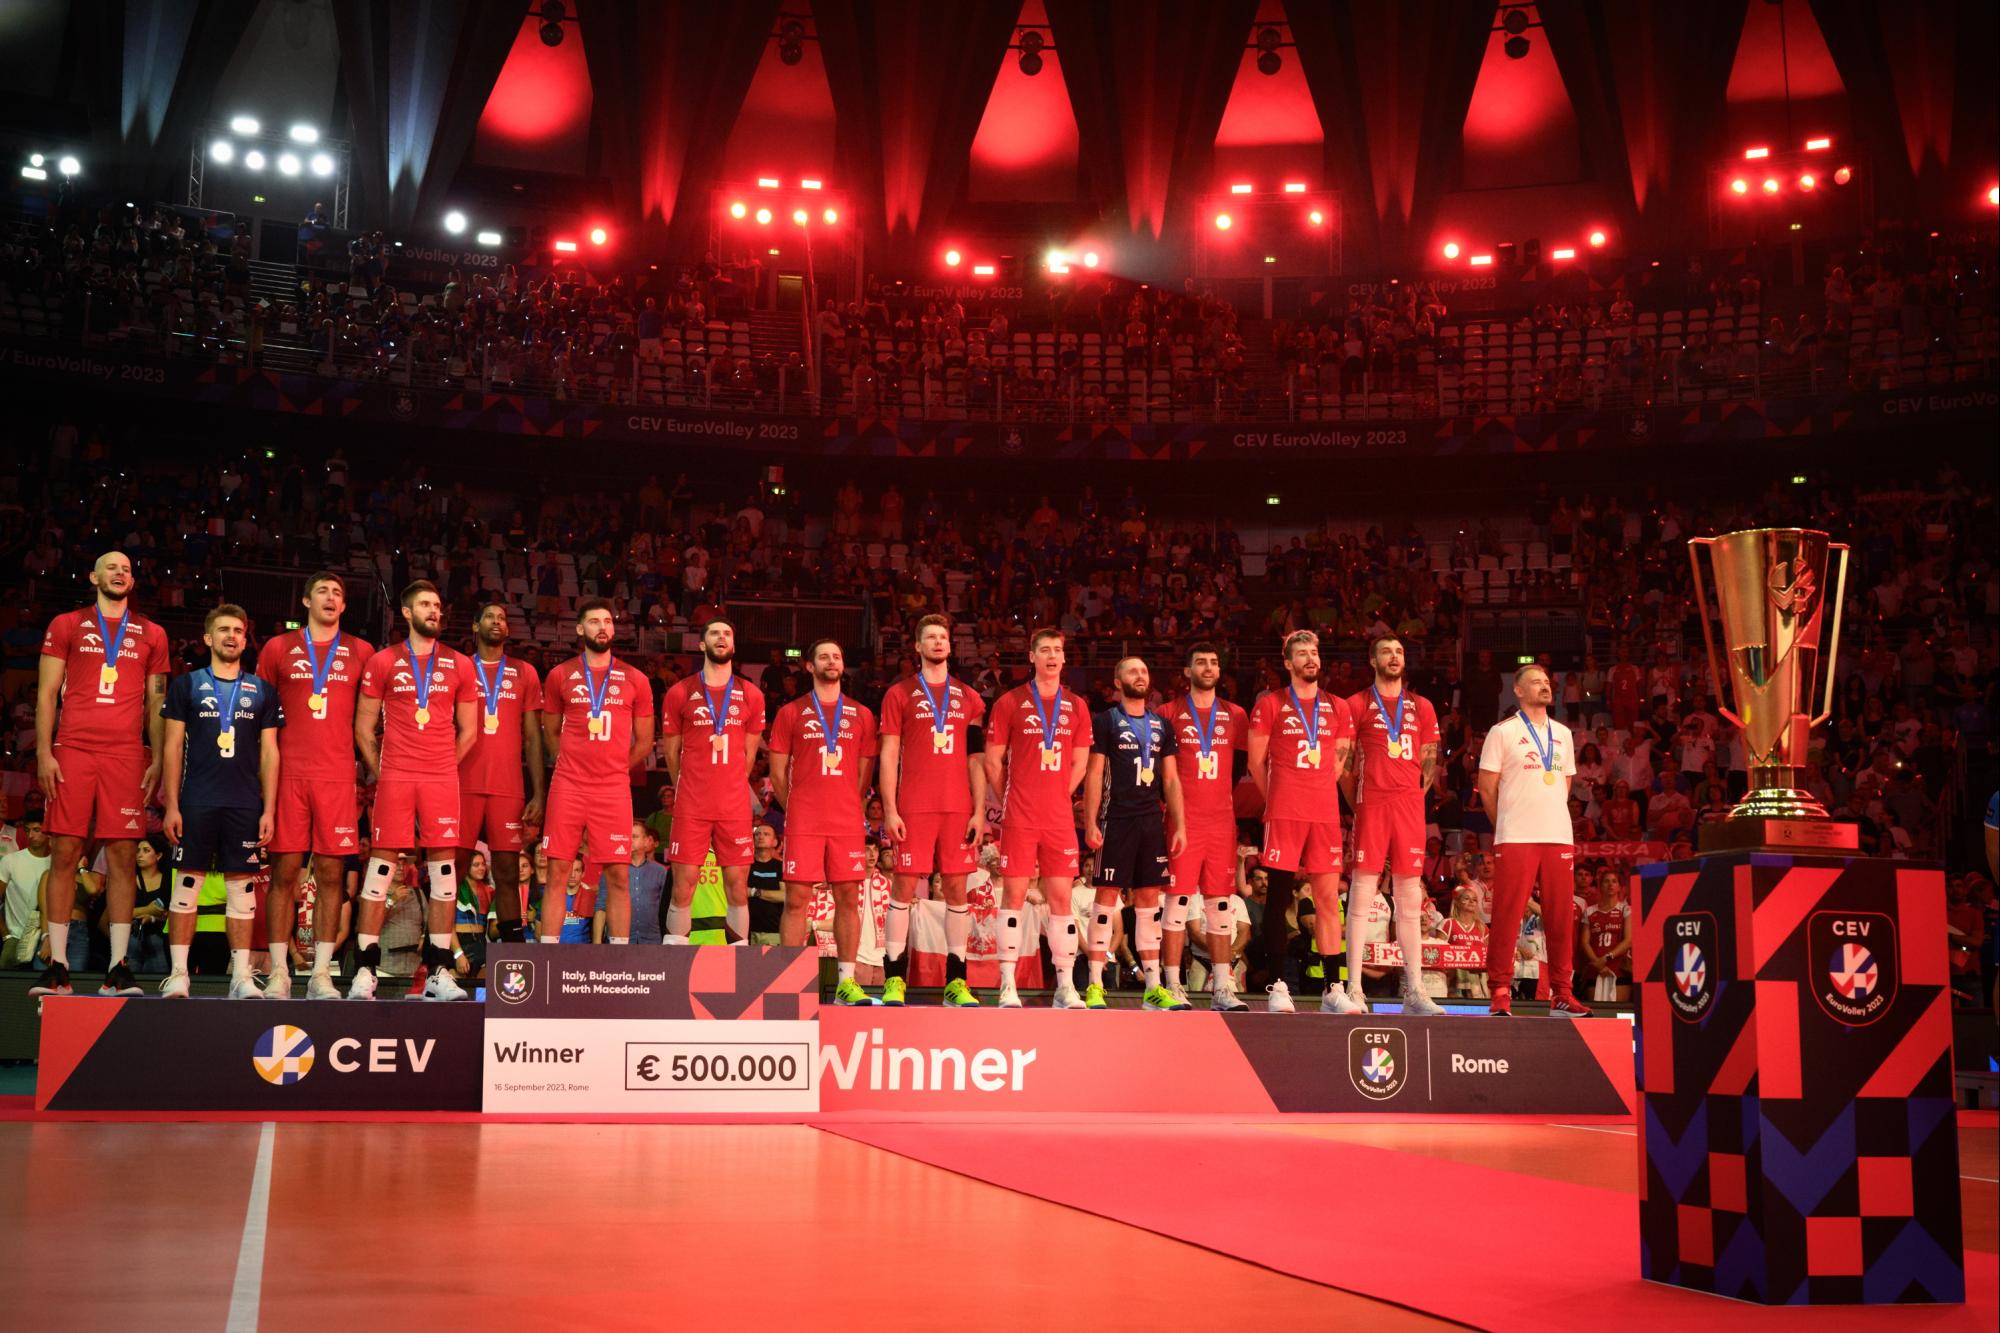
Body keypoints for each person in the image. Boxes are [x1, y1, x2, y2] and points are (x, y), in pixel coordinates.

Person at [31, 550, 170, 998]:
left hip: (126, 755)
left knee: (124, 857)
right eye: (112, 567)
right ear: (93, 576)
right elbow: (48, 693)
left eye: (128, 568)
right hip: (71, 749)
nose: (120, 573)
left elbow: (156, 704)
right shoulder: (66, 624)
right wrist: (44, 753)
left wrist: (158, 760)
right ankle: (57, 966)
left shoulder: (152, 634)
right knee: (66, 851)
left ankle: (118, 966)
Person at [352, 581, 478, 1001]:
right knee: (380, 874)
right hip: (397, 779)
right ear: (406, 613)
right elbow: (364, 727)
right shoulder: (383, 660)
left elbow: (470, 730)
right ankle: (365, 971)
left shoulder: (460, 663)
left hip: (440, 780)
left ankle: (440, 973)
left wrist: (441, 766)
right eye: (425, 605)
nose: (434, 611)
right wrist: (385, 772)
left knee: (444, 877)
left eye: (438, 606)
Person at [260, 570, 374, 999]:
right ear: (306, 602)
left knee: (330, 876)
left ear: (344, 606)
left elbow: (370, 718)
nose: (330, 597)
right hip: (288, 774)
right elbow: (262, 717)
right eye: (322, 591)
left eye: (338, 593)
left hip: (338, 776)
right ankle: (277, 972)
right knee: (283, 874)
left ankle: (322, 974)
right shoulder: (277, 648)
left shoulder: (362, 651)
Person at [158, 605, 281, 999]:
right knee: (187, 885)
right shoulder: (186, 685)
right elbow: (173, 747)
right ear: (208, 638)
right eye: (224, 630)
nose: (232, 636)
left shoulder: (263, 690)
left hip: (244, 803)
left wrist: (269, 809)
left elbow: (270, 754)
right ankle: (178, 973)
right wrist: (172, 804)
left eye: (239, 631)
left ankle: (241, 977)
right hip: (196, 800)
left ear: (246, 640)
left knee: (241, 889)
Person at [877, 613, 986, 1007]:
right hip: (915, 805)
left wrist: (978, 810)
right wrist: (890, 808)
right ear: (918, 648)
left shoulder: (970, 698)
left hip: (957, 808)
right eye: (930, 638)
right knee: (903, 886)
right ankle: (894, 979)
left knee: (958, 890)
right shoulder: (899, 694)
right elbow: (888, 755)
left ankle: (956, 982)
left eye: (943, 637)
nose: (938, 643)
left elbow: (976, 758)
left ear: (950, 646)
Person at [1247, 629, 1356, 1013]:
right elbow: (1255, 763)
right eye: (1302, 654)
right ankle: (1278, 986)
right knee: (1278, 901)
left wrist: (1314, 794)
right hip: (1285, 812)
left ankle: (1333, 988)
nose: (1311, 659)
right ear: (1288, 663)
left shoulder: (1339, 707)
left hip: (1324, 816)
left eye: (1314, 653)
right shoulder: (1271, 704)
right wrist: (1279, 797)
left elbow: (1338, 765)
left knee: (1328, 901)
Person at [984, 628, 1092, 1008]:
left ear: (1064, 658)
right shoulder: (1010, 701)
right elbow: (993, 759)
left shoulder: (1077, 705)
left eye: (1057, 650)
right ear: (1031, 657)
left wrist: (1059, 795)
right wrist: (1011, 797)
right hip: (1021, 814)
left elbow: (1080, 761)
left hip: (1059, 816)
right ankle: (1007, 983)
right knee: (1013, 896)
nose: (1051, 655)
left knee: (1061, 898)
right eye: (1044, 650)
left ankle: (1065, 986)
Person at [1476, 664, 1590, 1017]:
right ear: (1518, 691)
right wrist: (1505, 825)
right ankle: (1499, 991)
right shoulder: (1502, 732)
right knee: (1508, 915)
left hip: (1557, 834)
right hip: (1516, 836)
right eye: (1536, 682)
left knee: (1560, 917)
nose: (1545, 686)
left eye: (1546, 682)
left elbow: (1564, 785)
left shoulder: (1563, 734)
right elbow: (1486, 786)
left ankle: (1562, 992)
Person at [1340, 635, 1445, 1015]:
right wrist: (1363, 805)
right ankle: (1354, 989)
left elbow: (1429, 761)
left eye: (1399, 651)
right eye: (1386, 651)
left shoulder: (1423, 706)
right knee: (1362, 896)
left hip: (1409, 810)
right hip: (1373, 807)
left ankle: (1414, 990)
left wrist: (1413, 797)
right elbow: (1345, 765)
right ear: (1373, 660)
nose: (1394, 657)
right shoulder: (1356, 704)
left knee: (1410, 900)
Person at [770, 638, 879, 1004]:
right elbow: (778, 773)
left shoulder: (862, 714)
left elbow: (865, 772)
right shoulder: (791, 713)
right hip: (804, 819)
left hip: (846, 819)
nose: (832, 661)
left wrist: (850, 803)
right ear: (810, 667)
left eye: (837, 656)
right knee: (797, 898)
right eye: (824, 657)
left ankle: (847, 984)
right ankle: (790, 983)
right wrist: (797, 807)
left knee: (850, 896)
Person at [539, 600, 652, 944]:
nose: (602, 627)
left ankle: (617, 956)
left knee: (618, 873)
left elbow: (645, 742)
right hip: (568, 786)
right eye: (593, 621)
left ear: (614, 629)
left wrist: (613, 769)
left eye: (607, 621)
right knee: (557, 871)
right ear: (579, 629)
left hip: (612, 789)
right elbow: (550, 732)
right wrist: (573, 766)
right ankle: (549, 954)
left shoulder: (636, 678)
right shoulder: (560, 674)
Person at [1084, 656, 1186, 1011]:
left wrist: (1180, 825)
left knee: (1148, 906)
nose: (1140, 676)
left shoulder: (1162, 725)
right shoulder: (1106, 721)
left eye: (1144, 671)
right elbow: (1094, 773)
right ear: (1117, 680)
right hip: (1116, 819)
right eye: (1132, 671)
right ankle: (1095, 983)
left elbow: (1171, 779)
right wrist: (1091, 820)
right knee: (1105, 902)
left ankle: (1154, 987)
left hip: (1150, 823)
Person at [1159, 643, 1251, 1010]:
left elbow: (1239, 766)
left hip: (1220, 823)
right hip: (1182, 821)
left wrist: (1214, 798)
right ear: (1187, 671)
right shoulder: (1167, 713)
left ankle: (1222, 988)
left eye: (1213, 663)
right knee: (1177, 902)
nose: (1208, 668)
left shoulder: (1236, 715)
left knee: (1219, 903)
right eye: (1200, 662)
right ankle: (1172, 983)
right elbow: (1161, 771)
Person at [661, 619, 764, 942]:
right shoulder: (680, 692)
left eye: (727, 634)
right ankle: (676, 963)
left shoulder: (751, 694)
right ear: (702, 645)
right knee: (684, 884)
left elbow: (748, 756)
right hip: (692, 803)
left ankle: (736, 960)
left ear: (733, 646)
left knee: (736, 886)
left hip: (733, 805)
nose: (722, 638)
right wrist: (692, 784)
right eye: (714, 633)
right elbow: (672, 754)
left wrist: (729, 784)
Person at [456, 602, 545, 945]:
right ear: (476, 626)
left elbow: (533, 736)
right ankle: (440, 953)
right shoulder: (459, 668)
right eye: (490, 616)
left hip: (507, 786)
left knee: (507, 872)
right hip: (463, 783)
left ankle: (513, 952)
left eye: (503, 618)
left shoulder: (524, 672)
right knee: (454, 868)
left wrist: (538, 791)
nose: (498, 622)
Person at [1, 814, 51, 968]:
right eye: (28, 830)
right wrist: (6, 935)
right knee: (9, 990)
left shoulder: (58, 862)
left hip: (48, 939)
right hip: (16, 938)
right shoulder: (11, 861)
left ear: (48, 831)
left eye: (37, 830)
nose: (31, 835)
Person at [606, 822, 667, 945]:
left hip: (652, 939)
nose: (630, 840)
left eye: (634, 836)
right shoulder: (613, 869)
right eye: (628, 837)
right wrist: (596, 942)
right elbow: (601, 906)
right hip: (620, 939)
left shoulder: (660, 871)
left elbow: (665, 909)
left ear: (646, 841)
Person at [1582, 866, 1631, 1003]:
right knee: (1596, 1015)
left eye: (1614, 881)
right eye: (1606, 881)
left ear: (1619, 887)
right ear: (1600, 886)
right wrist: (1597, 963)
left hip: (1618, 968)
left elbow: (1629, 940)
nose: (1610, 884)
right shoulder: (1589, 911)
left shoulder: (1625, 909)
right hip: (1596, 969)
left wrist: (1606, 958)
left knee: (1619, 1014)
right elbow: (1584, 942)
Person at [130, 833, 172, 974]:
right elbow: (115, 914)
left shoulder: (168, 881)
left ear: (159, 856)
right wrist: (148, 909)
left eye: (146, 851)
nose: (139, 855)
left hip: (158, 940)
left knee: (157, 986)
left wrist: (153, 917)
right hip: (131, 939)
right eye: (138, 851)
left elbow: (169, 914)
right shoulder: (129, 880)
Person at [747, 822, 783, 944]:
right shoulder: (745, 866)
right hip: (746, 931)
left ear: (775, 842)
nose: (760, 837)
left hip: (774, 932)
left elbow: (784, 896)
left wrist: (753, 891)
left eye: (766, 834)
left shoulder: (781, 867)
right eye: (757, 834)